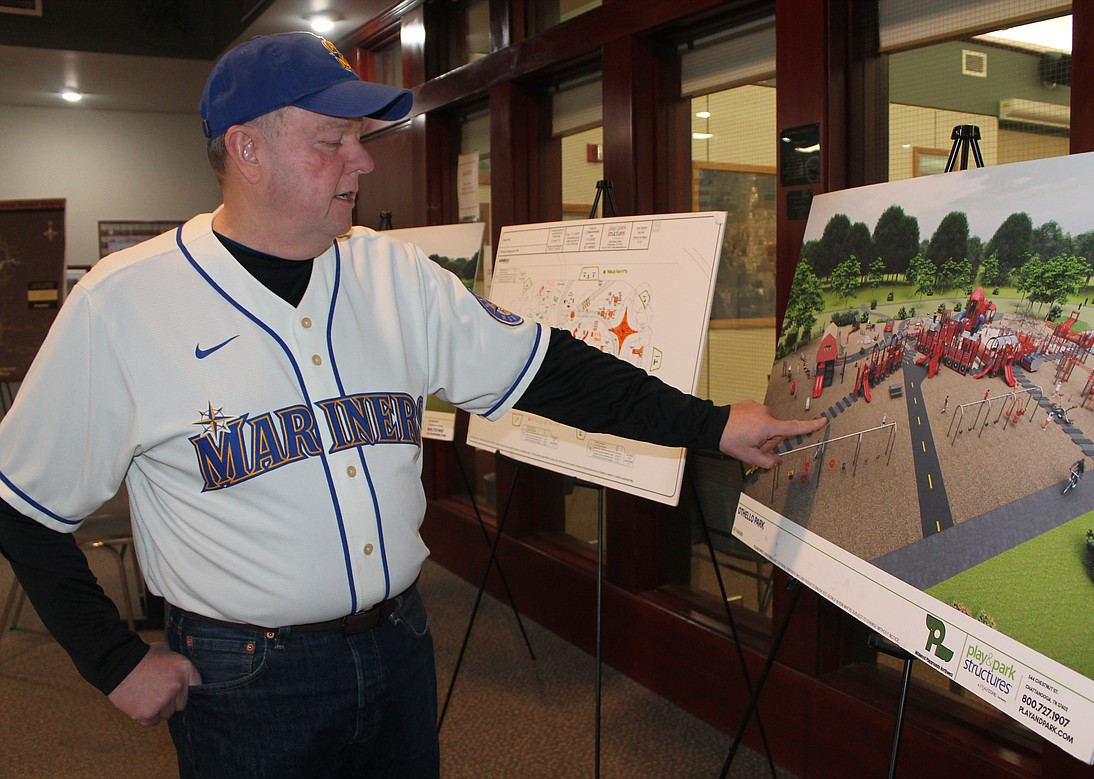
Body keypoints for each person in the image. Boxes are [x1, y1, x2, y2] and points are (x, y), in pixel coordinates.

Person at [0, 32, 825, 779]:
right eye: (332, 141)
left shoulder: (392, 276)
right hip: (246, 674)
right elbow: (22, 504)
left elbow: (550, 370)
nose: (361, 162)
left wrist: (714, 423)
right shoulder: (125, 303)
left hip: (399, 643)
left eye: (360, 138)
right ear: (247, 149)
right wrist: (112, 660)